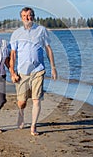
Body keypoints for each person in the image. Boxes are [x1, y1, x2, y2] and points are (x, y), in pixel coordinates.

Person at [9, 7, 57, 136]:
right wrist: (12, 72)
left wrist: (53, 67)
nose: (27, 18)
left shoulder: (41, 31)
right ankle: (21, 114)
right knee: (22, 101)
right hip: (22, 72)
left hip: (38, 70)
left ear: (34, 17)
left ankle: (33, 127)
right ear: (21, 18)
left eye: (29, 15)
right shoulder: (16, 33)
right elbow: (13, 55)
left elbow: (48, 49)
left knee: (36, 100)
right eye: (24, 15)